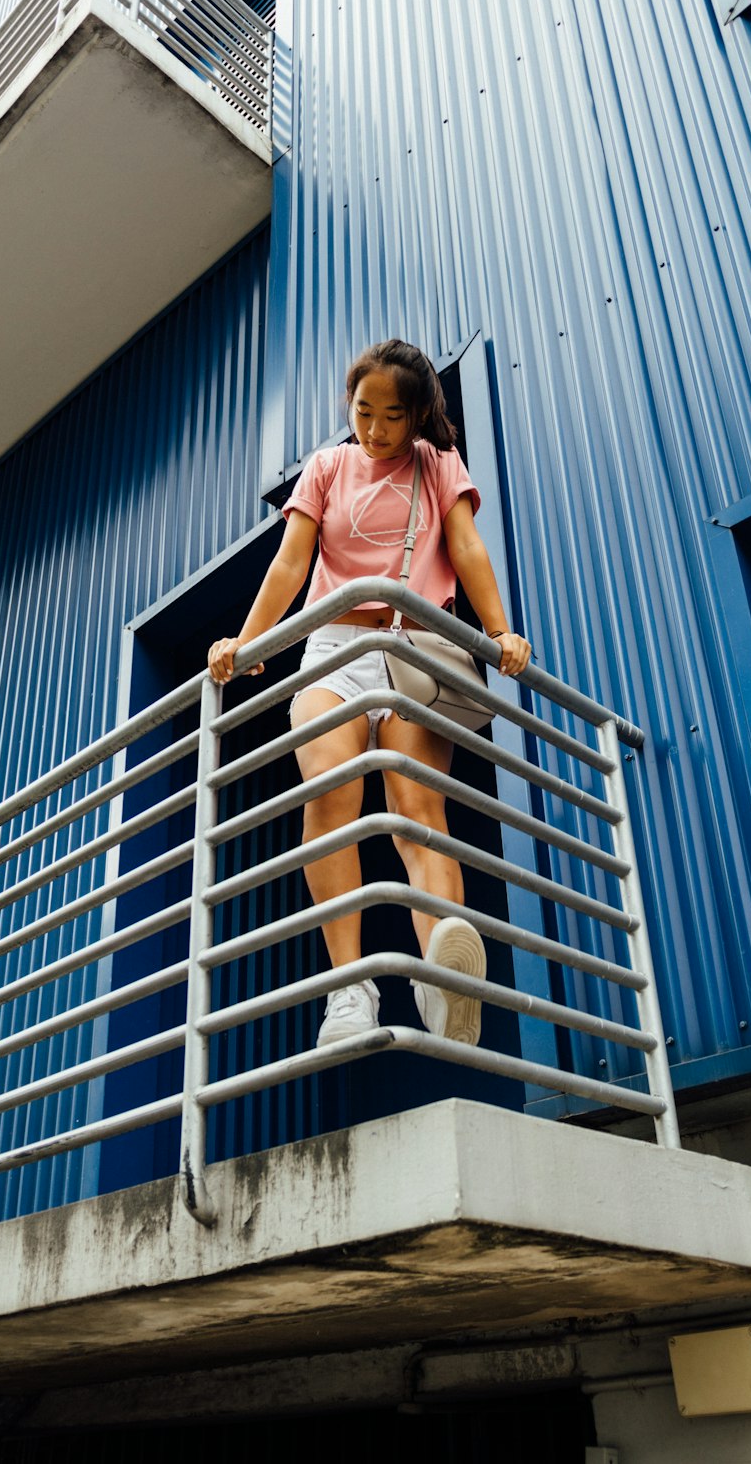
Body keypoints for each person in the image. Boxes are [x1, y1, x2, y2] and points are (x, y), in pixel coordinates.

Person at [208, 339, 531, 1048]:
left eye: (393, 416)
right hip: (333, 647)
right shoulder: (326, 468)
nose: (376, 429)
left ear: (417, 417)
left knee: (417, 809)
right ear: (347, 404)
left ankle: (442, 981)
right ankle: (349, 991)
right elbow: (291, 560)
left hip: (414, 650)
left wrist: (501, 630)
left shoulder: (438, 464)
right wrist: (246, 639)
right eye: (364, 411)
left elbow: (468, 548)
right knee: (330, 799)